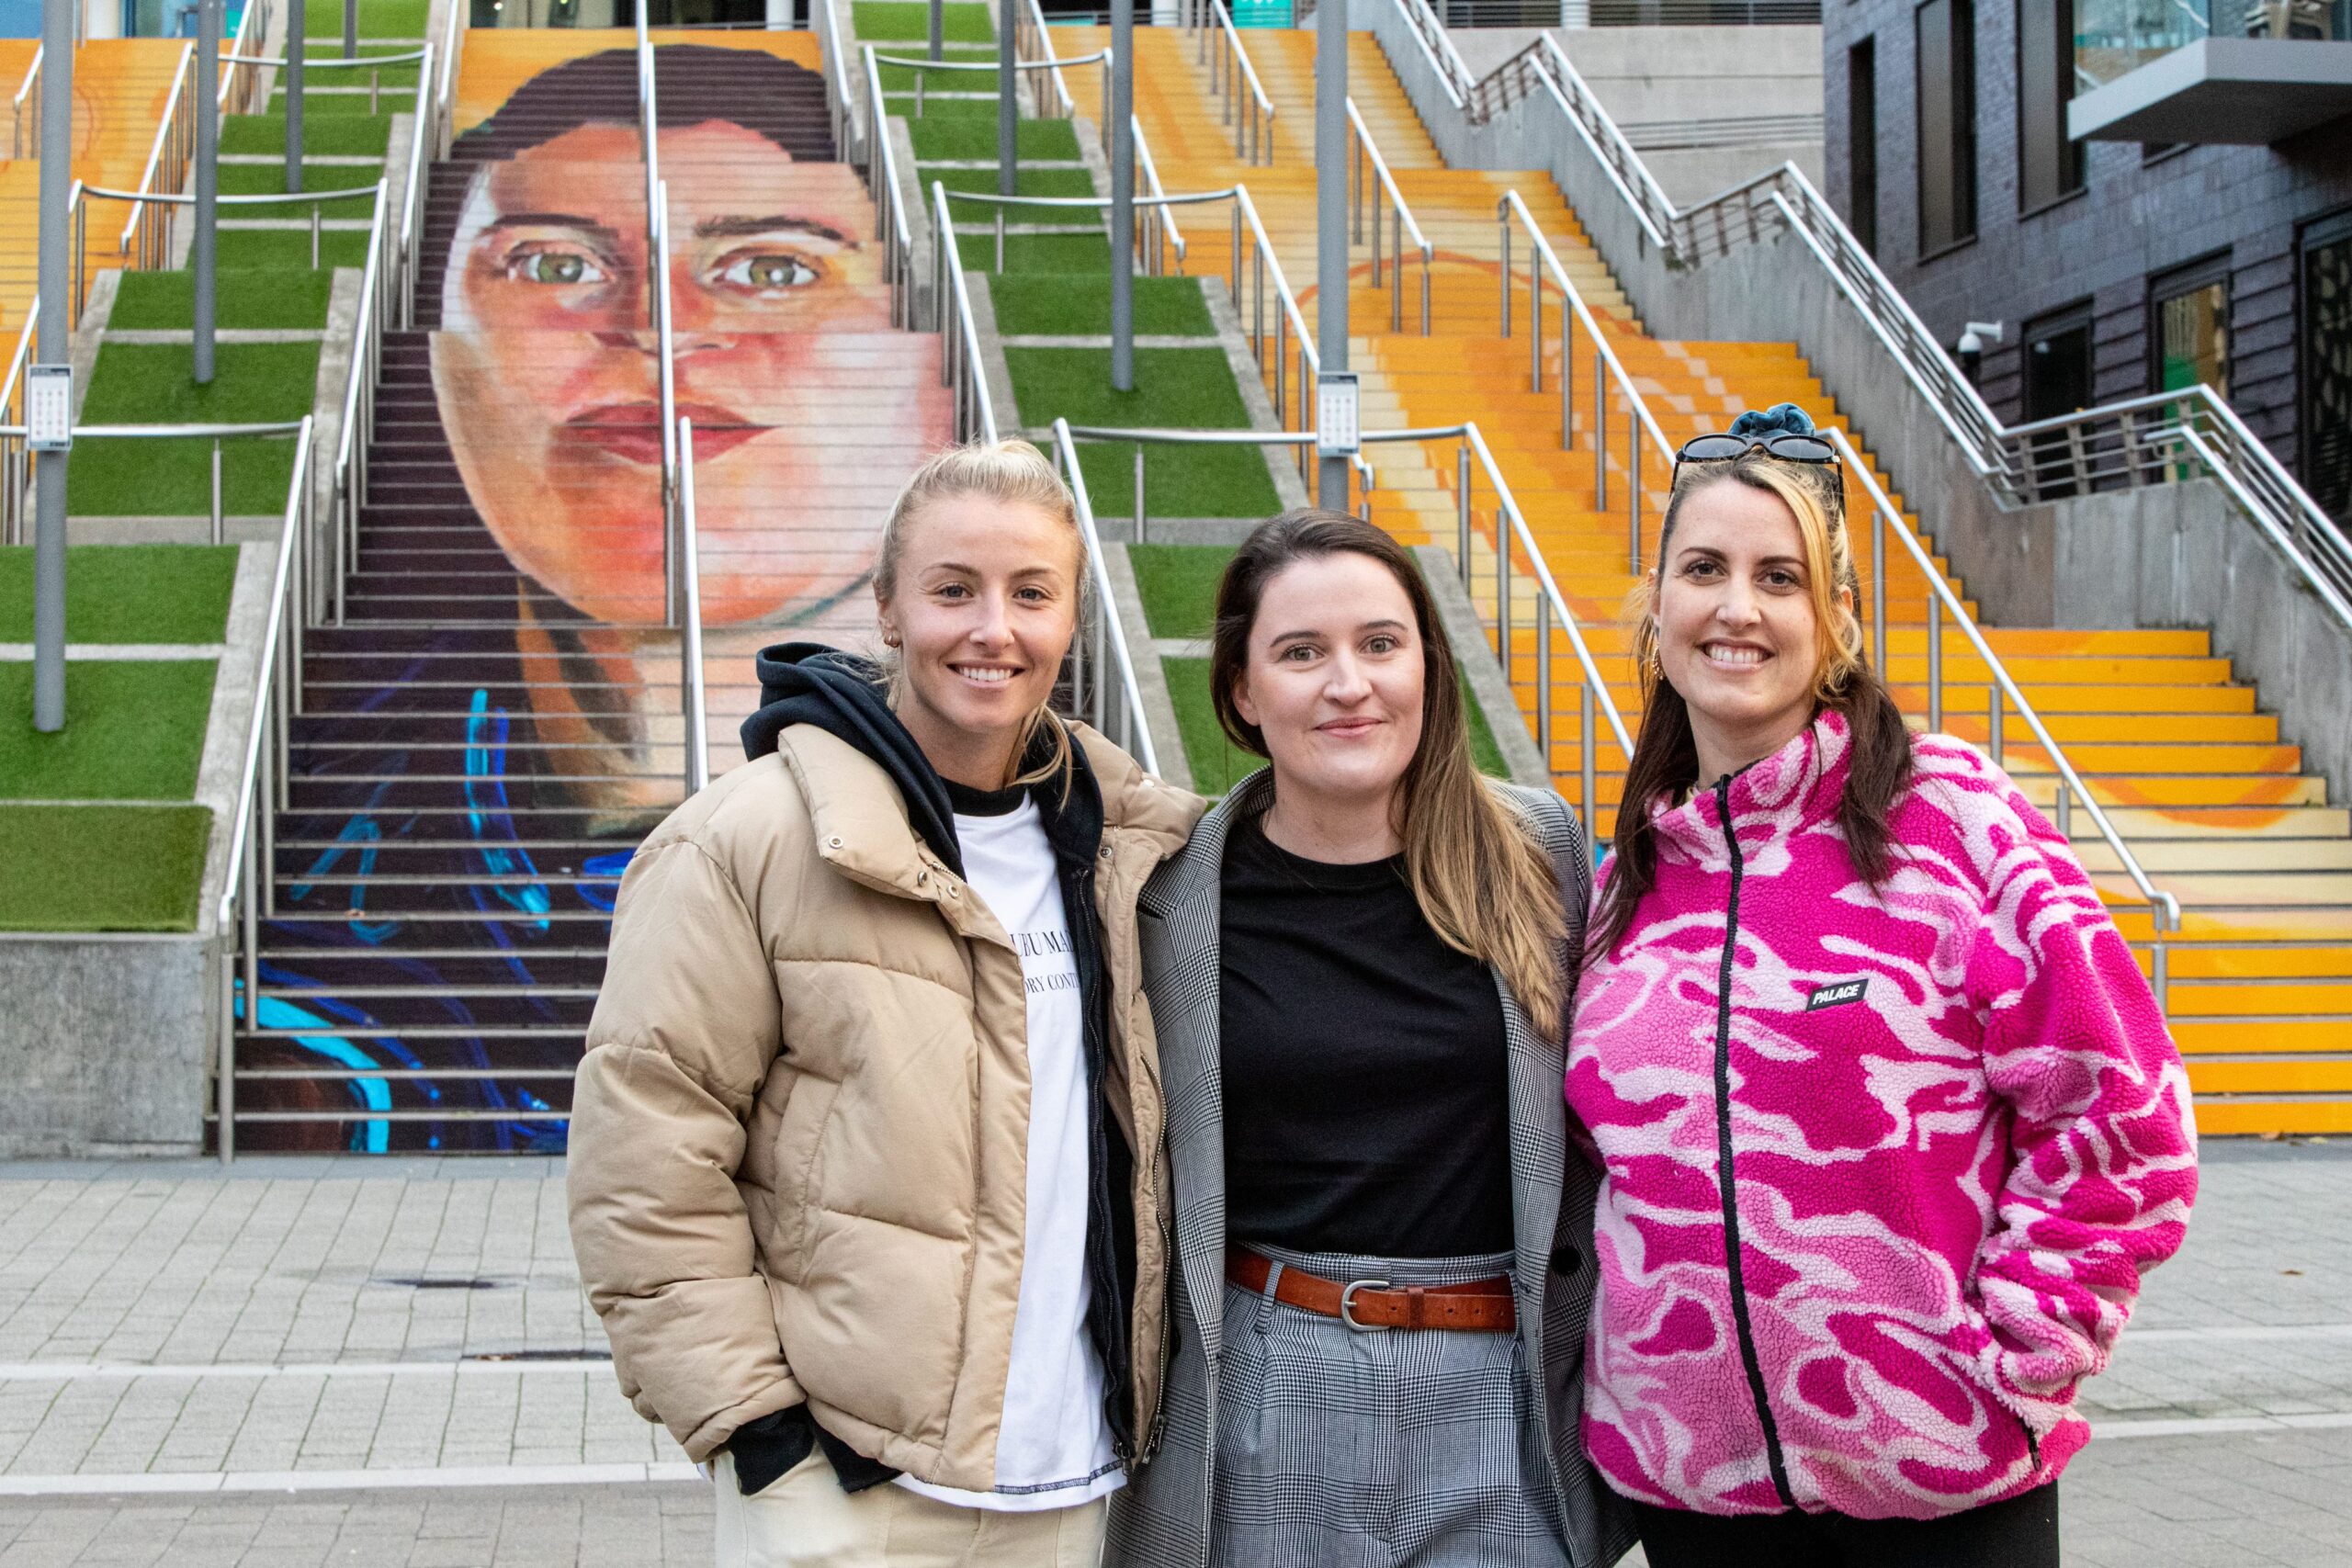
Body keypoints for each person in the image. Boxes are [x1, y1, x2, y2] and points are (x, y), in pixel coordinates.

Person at [1566, 405, 2199, 1566]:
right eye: (1703, 570)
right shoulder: (1624, 887)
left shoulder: (1952, 823)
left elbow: (2124, 1112)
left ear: (1837, 619)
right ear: (1654, 608)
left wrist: (2016, 1361)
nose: (1737, 608)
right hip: (1692, 1504)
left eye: (1781, 578)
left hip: (1943, 1499)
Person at [566, 440, 1204, 1565]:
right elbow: (646, 1160)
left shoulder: (1132, 847)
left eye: (1031, 594)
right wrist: (756, 1433)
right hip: (845, 1488)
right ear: (888, 610)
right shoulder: (743, 842)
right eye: (953, 590)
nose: (992, 629)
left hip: (1067, 1488)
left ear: (1071, 618)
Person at [1109, 511, 1633, 1568]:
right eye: (1301, 653)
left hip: (1505, 1391)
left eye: (1380, 644)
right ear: (1243, 692)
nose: (1348, 684)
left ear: (1427, 665)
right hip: (1270, 1382)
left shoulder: (1541, 854)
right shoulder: (1169, 892)